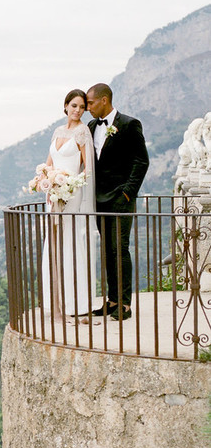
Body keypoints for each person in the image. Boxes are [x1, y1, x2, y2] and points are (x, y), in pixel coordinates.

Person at [87, 83, 149, 320]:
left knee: (119, 249)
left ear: (104, 100)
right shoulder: (91, 126)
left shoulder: (129, 124)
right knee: (106, 251)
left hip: (120, 199)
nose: (88, 108)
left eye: (90, 103)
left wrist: (127, 194)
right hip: (99, 199)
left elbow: (141, 162)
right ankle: (112, 300)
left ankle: (125, 305)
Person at [41, 89, 96, 319]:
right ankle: (55, 300)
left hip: (72, 194)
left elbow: (88, 168)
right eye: (74, 106)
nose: (78, 111)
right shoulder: (58, 131)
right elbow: (49, 163)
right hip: (53, 194)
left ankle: (75, 302)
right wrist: (44, 180)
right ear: (65, 106)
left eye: (82, 107)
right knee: (53, 244)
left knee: (70, 241)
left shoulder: (83, 132)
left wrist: (72, 186)